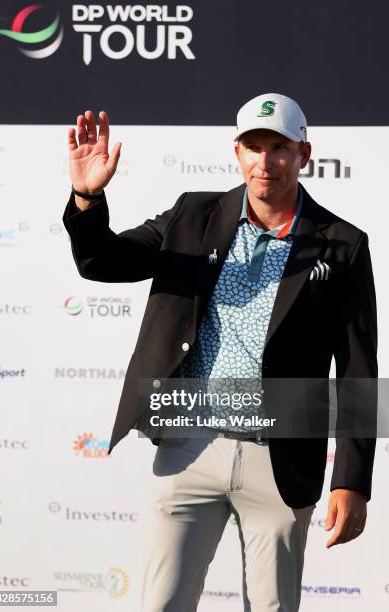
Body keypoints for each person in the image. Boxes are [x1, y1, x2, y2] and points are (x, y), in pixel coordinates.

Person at [63, 93, 377, 611]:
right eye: (253, 147)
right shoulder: (194, 214)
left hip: (280, 457)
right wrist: (86, 201)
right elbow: (104, 261)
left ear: (305, 153)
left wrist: (352, 480)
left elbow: (358, 371)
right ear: (236, 153)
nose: (265, 161)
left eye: (279, 147)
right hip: (187, 444)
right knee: (162, 605)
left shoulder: (343, 244)